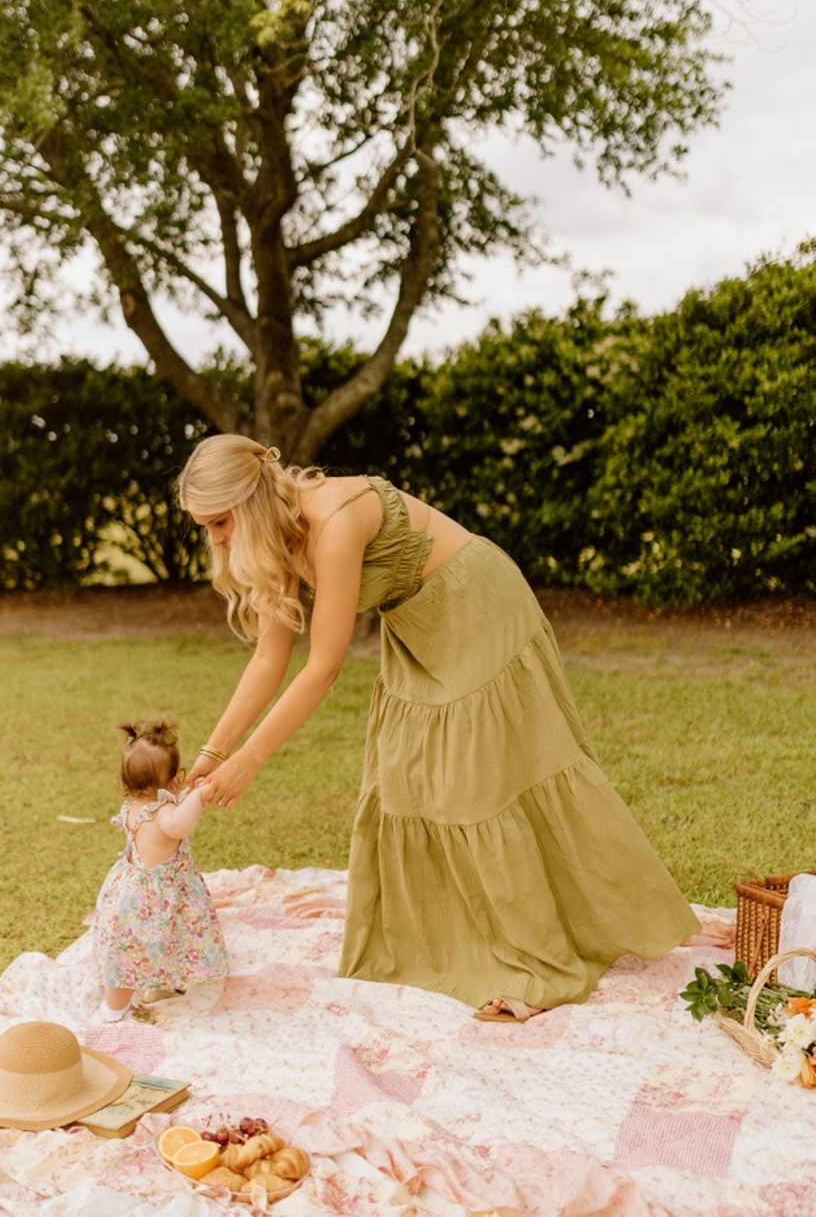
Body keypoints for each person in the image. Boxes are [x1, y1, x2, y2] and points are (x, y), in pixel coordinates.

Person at [178, 434, 700, 1020]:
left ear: (251, 500)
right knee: (403, 783)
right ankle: (443, 945)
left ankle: (538, 961)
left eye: (220, 522)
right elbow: (269, 658)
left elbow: (322, 667)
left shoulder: (334, 521)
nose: (215, 539)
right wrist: (215, 752)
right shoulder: (273, 538)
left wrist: (250, 761)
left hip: (476, 605)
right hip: (418, 625)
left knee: (479, 788)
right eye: (204, 527)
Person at [91, 719, 228, 1022]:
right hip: (156, 899)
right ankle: (120, 1005)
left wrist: (187, 794)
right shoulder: (166, 814)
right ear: (173, 779)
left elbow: (173, 809)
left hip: (129, 893)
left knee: (128, 951)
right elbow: (181, 824)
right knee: (160, 942)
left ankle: (120, 1002)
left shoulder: (134, 808)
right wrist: (198, 796)